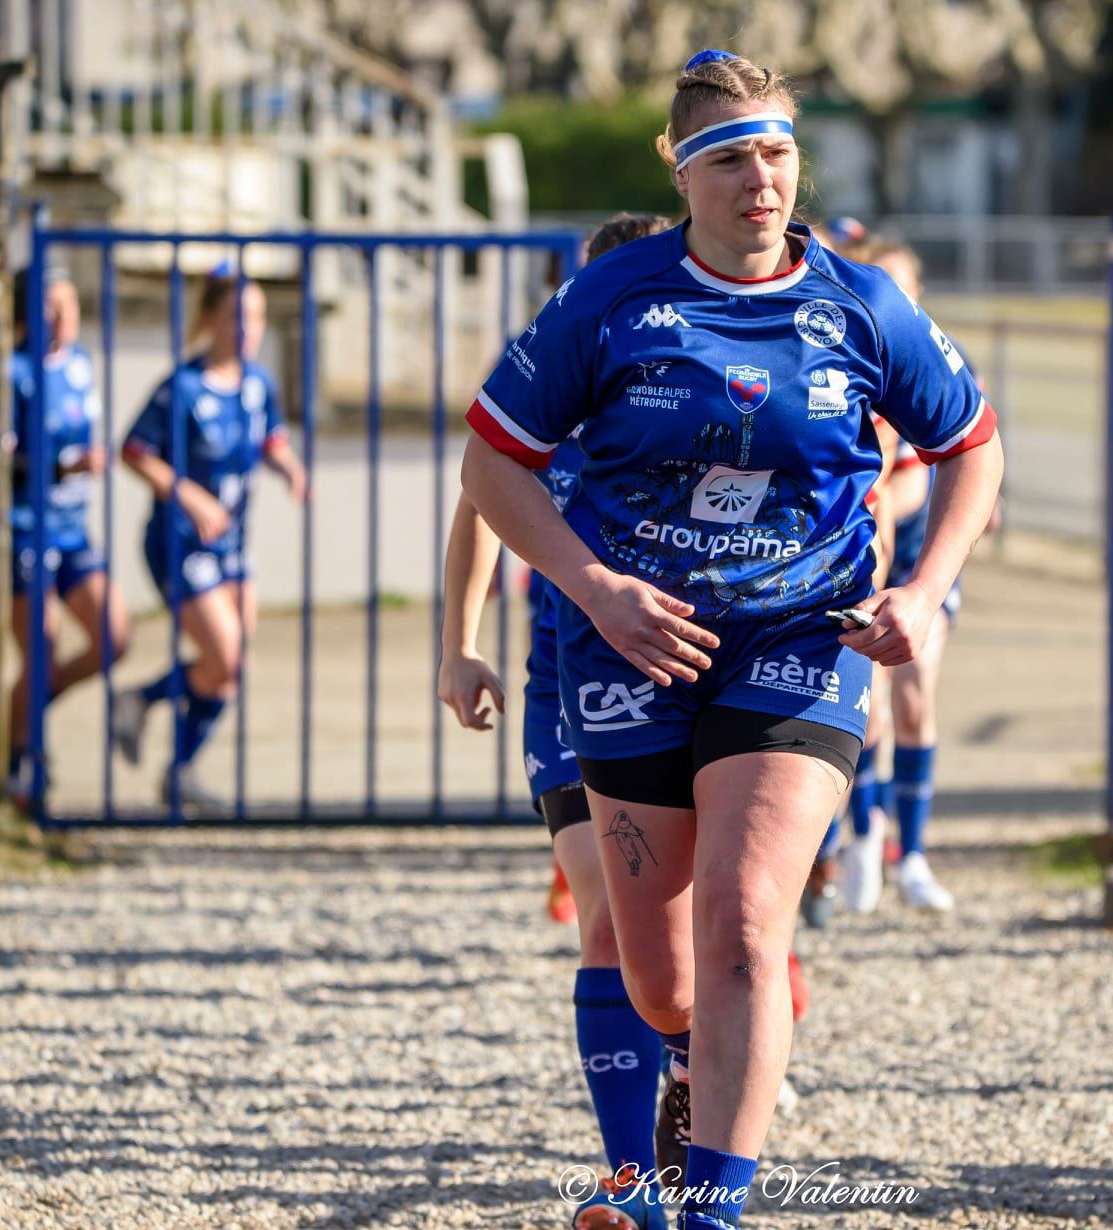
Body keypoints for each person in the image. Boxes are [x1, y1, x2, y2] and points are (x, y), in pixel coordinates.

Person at [459, 50, 1002, 1230]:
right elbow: (494, 464)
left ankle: (709, 1209)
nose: (761, 178)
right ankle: (679, 1095)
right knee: (658, 975)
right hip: (633, 648)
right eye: (731, 157)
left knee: (749, 919)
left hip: (800, 640)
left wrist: (924, 586)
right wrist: (593, 588)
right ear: (681, 169)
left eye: (778, 152)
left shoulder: (861, 303)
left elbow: (973, 447)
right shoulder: (613, 298)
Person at [439, 211, 675, 1230]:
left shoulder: (695, 390)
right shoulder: (543, 398)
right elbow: (478, 509)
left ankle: (700, 1105)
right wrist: (457, 645)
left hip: (696, 689)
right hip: (570, 695)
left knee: (700, 936)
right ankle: (632, 1181)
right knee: (607, 918)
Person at [112, 267, 309, 811]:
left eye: (256, 318)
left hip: (233, 546)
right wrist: (189, 496)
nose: (247, 329)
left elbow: (271, 437)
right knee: (221, 656)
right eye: (236, 317)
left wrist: (289, 466)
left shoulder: (257, 382)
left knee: (229, 667)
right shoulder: (182, 387)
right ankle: (143, 703)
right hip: (179, 541)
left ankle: (178, 768)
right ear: (209, 321)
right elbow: (134, 450)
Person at [837, 236, 964, 913]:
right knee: (870, 710)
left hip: (923, 564)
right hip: (866, 564)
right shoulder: (847, 362)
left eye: (901, 286)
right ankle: (865, 836)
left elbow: (947, 473)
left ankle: (911, 856)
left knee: (913, 695)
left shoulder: (939, 365)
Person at [6, 266, 130, 806]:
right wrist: (64, 468)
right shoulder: (15, 372)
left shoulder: (80, 365)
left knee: (114, 637)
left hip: (75, 532)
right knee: (39, 648)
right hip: (30, 531)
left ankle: (31, 707)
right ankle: (20, 765)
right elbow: (3, 458)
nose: (62, 316)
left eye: (69, 304)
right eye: (49, 305)